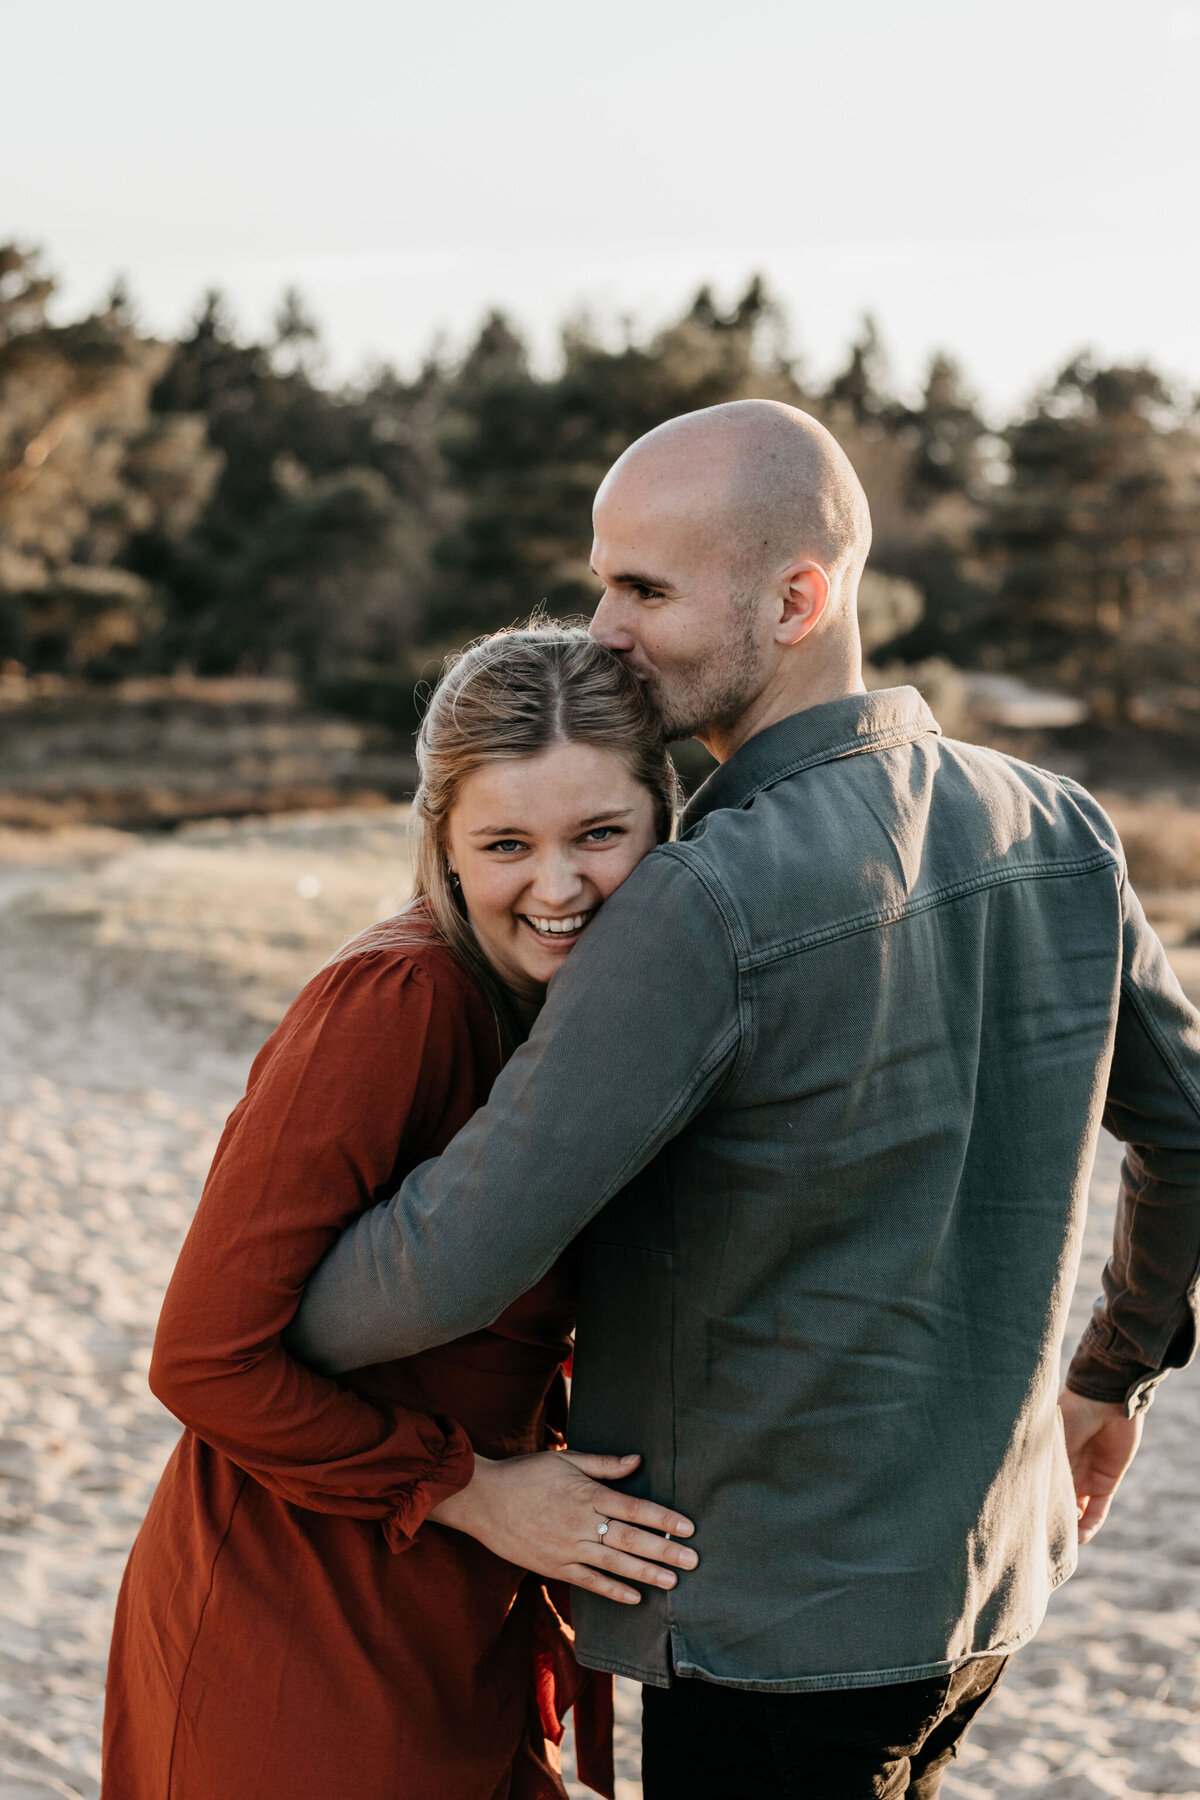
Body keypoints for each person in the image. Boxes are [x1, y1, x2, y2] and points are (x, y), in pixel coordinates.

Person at [288, 400, 1200, 1800]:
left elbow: (454, 1255)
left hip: (773, 1637)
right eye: (602, 578)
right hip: (985, 1603)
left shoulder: (700, 898)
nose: (600, 628)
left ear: (798, 597)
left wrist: (272, 1323)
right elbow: (1186, 1125)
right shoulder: (1060, 824)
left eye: (644, 588)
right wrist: (1112, 1375)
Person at [101, 627, 702, 1800]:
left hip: (459, 1608)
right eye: (506, 845)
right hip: (300, 1615)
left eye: (599, 835)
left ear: (663, 821)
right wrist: (477, 1490)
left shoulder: (585, 1013)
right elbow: (201, 1361)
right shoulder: (401, 999)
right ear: (444, 843)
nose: (559, 885)